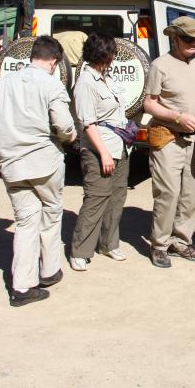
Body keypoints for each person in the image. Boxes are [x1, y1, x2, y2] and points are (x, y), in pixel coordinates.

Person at [0, 36, 77, 306]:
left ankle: (22, 286)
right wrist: (67, 137)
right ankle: (49, 270)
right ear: (54, 61)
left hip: (11, 163)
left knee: (25, 222)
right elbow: (64, 126)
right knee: (51, 214)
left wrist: (6, 125)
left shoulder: (5, 82)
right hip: (45, 162)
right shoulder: (52, 85)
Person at [143, 17, 195, 268]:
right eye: (187, 39)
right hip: (168, 137)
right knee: (168, 193)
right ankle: (159, 244)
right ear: (174, 38)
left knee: (191, 195)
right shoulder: (160, 65)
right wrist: (177, 117)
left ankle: (181, 241)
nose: (193, 43)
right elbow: (149, 103)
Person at [69, 33, 131, 271]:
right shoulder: (86, 82)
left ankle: (108, 243)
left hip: (119, 146)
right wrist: (104, 153)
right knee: (96, 198)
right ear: (101, 54)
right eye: (111, 52)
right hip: (99, 150)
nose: (114, 56)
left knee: (116, 198)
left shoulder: (106, 77)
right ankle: (80, 251)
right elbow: (87, 123)